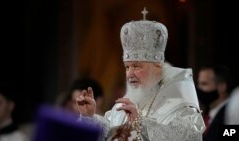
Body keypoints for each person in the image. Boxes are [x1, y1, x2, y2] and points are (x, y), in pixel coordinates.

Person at [75, 7, 205, 141]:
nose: (129, 74)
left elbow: (188, 136)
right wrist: (89, 117)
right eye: (127, 67)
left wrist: (140, 123)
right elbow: (111, 133)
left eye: (136, 66)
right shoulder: (124, 105)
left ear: (157, 68)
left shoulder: (180, 102)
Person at [197, 64, 233, 141]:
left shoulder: (232, 113)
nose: (199, 89)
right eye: (198, 84)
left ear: (222, 86)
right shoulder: (205, 116)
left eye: (204, 84)